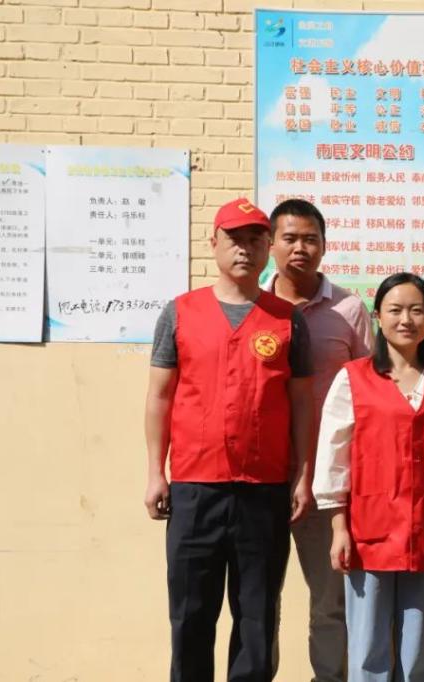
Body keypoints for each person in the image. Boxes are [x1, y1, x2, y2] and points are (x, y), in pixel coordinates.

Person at [144, 197, 314, 681]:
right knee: (191, 613)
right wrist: (156, 472)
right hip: (195, 488)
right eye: (234, 239)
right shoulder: (180, 313)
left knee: (257, 615)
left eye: (256, 239)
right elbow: (159, 397)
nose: (245, 249)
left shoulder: (287, 320)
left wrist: (302, 475)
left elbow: (302, 404)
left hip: (263, 490)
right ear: (213, 242)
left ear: (268, 248)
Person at [312, 272, 424, 682]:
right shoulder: (353, 378)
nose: (406, 320)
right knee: (368, 644)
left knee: (418, 644)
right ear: (378, 317)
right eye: (395, 310)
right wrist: (338, 527)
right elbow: (333, 455)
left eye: (417, 310)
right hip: (369, 527)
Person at [266, 198, 373, 682]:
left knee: (329, 602)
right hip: (263, 477)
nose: (300, 248)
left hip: (328, 482)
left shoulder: (349, 310)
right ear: (271, 245)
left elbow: (371, 391)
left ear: (325, 246)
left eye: (310, 239)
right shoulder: (254, 308)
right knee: (259, 599)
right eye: (289, 238)